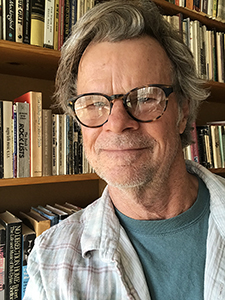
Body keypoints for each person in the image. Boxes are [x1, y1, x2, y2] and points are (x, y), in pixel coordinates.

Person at [24, 1, 225, 299]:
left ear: (183, 113)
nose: (117, 124)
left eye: (144, 97)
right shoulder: (51, 262)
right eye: (94, 102)